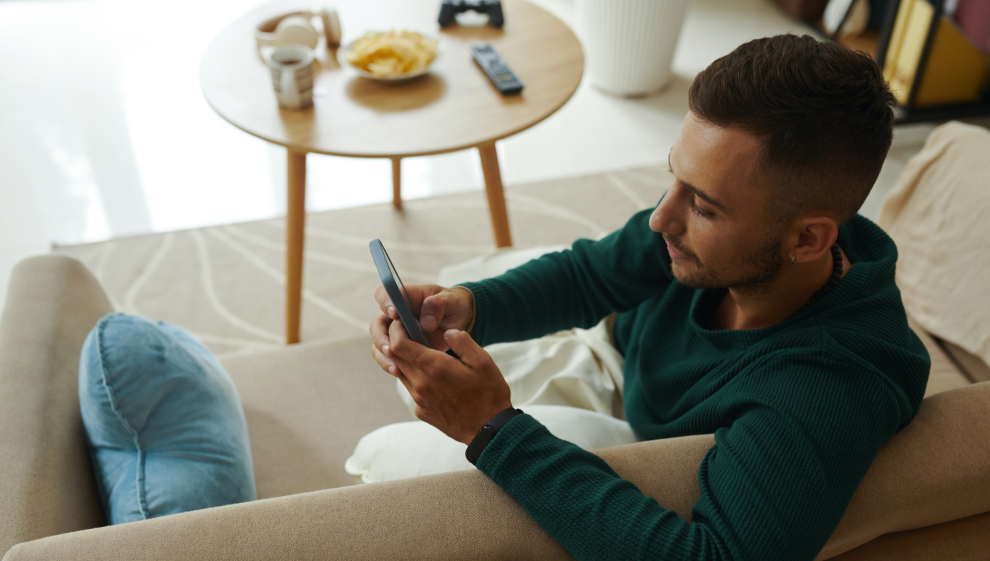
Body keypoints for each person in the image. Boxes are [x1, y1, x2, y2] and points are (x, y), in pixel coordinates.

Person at [368, 34, 930, 561]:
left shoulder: (825, 385)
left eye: (704, 207)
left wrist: (492, 430)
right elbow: (591, 275)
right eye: (674, 178)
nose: (661, 217)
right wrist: (470, 306)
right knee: (437, 337)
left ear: (808, 239)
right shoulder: (721, 235)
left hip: (635, 428)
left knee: (397, 452)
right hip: (618, 346)